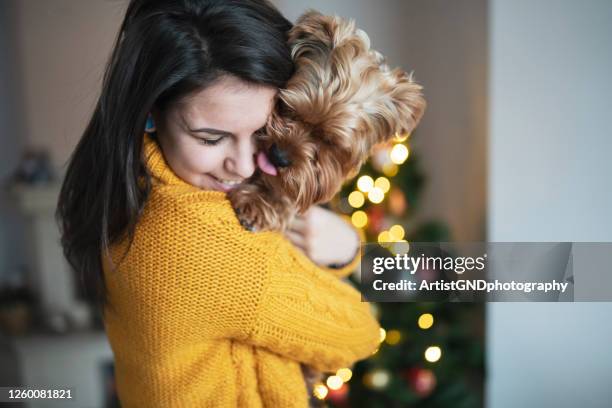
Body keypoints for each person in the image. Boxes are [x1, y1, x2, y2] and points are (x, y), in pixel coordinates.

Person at [56, 0, 380, 406]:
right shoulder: (205, 247)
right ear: (150, 112)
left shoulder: (129, 185)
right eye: (212, 138)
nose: (247, 165)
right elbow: (358, 333)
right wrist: (348, 247)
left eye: (264, 130)